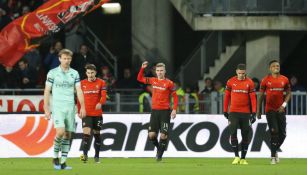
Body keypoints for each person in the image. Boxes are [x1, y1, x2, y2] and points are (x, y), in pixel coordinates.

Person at [44, 49, 86, 170]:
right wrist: (46, 108)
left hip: (70, 107)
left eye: (69, 59)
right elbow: (47, 90)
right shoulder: (52, 73)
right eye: (64, 58)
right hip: (57, 107)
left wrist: (82, 106)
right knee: (60, 132)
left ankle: (63, 162)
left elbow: (78, 90)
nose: (67, 61)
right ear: (60, 58)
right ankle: (55, 156)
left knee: (67, 135)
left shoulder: (75, 73)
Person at [137, 61, 178, 162]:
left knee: (163, 135)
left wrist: (174, 109)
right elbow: (139, 78)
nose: (159, 72)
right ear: (155, 71)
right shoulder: (152, 80)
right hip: (154, 111)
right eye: (158, 70)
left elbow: (175, 96)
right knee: (151, 135)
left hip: (165, 112)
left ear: (165, 71)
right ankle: (160, 148)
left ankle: (159, 156)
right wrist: (142, 68)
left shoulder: (169, 83)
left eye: (161, 70)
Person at [256, 60, 291, 165]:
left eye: (278, 66)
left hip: (281, 110)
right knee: (274, 132)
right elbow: (261, 96)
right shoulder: (265, 80)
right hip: (270, 110)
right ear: (270, 68)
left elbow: (289, 93)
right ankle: (272, 157)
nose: (276, 67)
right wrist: (258, 111)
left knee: (283, 134)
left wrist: (283, 105)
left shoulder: (284, 79)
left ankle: (274, 150)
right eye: (274, 66)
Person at [224, 63, 257, 165]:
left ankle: (243, 158)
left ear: (245, 72)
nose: (241, 75)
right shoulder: (230, 81)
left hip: (246, 113)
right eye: (240, 73)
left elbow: (253, 98)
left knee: (245, 135)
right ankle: (236, 156)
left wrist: (254, 112)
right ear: (236, 72)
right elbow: (227, 97)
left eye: (243, 73)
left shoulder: (250, 82)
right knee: (233, 133)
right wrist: (225, 110)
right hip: (233, 112)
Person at [79, 64, 107, 164]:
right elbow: (79, 98)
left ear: (95, 72)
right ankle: (84, 156)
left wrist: (100, 103)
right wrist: (79, 110)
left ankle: (97, 156)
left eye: (92, 73)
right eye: (88, 73)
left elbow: (104, 96)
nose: (90, 75)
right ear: (86, 73)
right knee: (86, 135)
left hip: (97, 114)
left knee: (97, 135)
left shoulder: (101, 82)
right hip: (86, 113)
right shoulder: (82, 83)